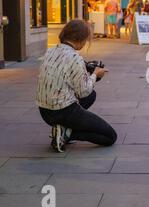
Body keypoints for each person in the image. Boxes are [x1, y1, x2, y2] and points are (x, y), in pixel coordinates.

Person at [36, 20, 117, 153]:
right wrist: (95, 74)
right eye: (86, 40)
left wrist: (87, 72)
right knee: (110, 136)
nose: (85, 44)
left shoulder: (50, 51)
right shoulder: (75, 58)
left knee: (92, 95)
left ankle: (63, 128)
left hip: (44, 111)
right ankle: (67, 133)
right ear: (80, 39)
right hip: (63, 111)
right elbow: (83, 91)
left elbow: (67, 79)